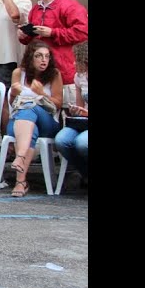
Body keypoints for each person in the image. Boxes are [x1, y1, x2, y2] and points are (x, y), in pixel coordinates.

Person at [5, 41, 64, 197]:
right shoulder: (18, 73)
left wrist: (42, 94)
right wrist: (13, 93)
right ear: (30, 57)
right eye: (39, 56)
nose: (44, 60)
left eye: (47, 56)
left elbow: (58, 104)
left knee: (29, 107)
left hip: (48, 121)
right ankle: (21, 182)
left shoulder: (54, 74)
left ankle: (20, 158)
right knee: (30, 125)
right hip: (22, 122)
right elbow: (13, 104)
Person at [18, 0, 88, 85]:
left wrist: (53, 33)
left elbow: (83, 33)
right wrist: (23, 35)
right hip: (40, 76)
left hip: (64, 74)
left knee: (65, 103)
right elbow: (31, 40)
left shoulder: (70, 6)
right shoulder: (36, 9)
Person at [54, 42, 88, 184]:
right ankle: (85, 172)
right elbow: (81, 106)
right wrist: (76, 110)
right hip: (84, 121)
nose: (74, 62)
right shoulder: (79, 77)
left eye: (77, 59)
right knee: (61, 140)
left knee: (81, 143)